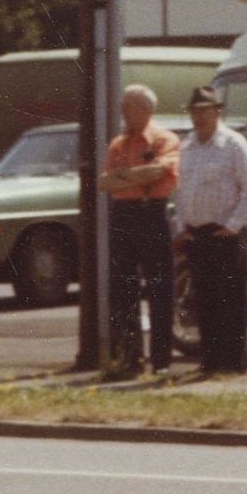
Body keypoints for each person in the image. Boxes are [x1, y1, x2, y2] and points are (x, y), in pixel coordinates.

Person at [173, 85, 247, 377]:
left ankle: (233, 364)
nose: (199, 117)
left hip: (226, 234)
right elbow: (181, 191)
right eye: (194, 111)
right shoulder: (187, 147)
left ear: (217, 112)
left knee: (230, 301)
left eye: (205, 111)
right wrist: (181, 227)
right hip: (196, 234)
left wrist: (234, 225)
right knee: (204, 300)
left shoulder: (234, 144)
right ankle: (210, 362)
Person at [99, 83, 180, 374]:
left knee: (160, 288)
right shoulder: (118, 144)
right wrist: (136, 176)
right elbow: (104, 182)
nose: (122, 112)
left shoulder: (163, 140)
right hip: (122, 215)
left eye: (127, 107)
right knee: (123, 288)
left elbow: (158, 172)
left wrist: (122, 175)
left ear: (144, 110)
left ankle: (161, 361)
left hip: (151, 213)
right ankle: (130, 358)